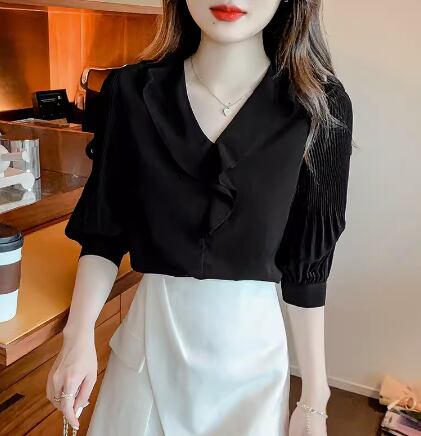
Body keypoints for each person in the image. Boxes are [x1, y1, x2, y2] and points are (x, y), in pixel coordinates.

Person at [46, 1, 354, 435]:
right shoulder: (131, 92)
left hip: (253, 369)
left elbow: (307, 270)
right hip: (148, 351)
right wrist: (77, 338)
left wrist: (315, 398)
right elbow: (102, 235)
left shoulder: (318, 105)